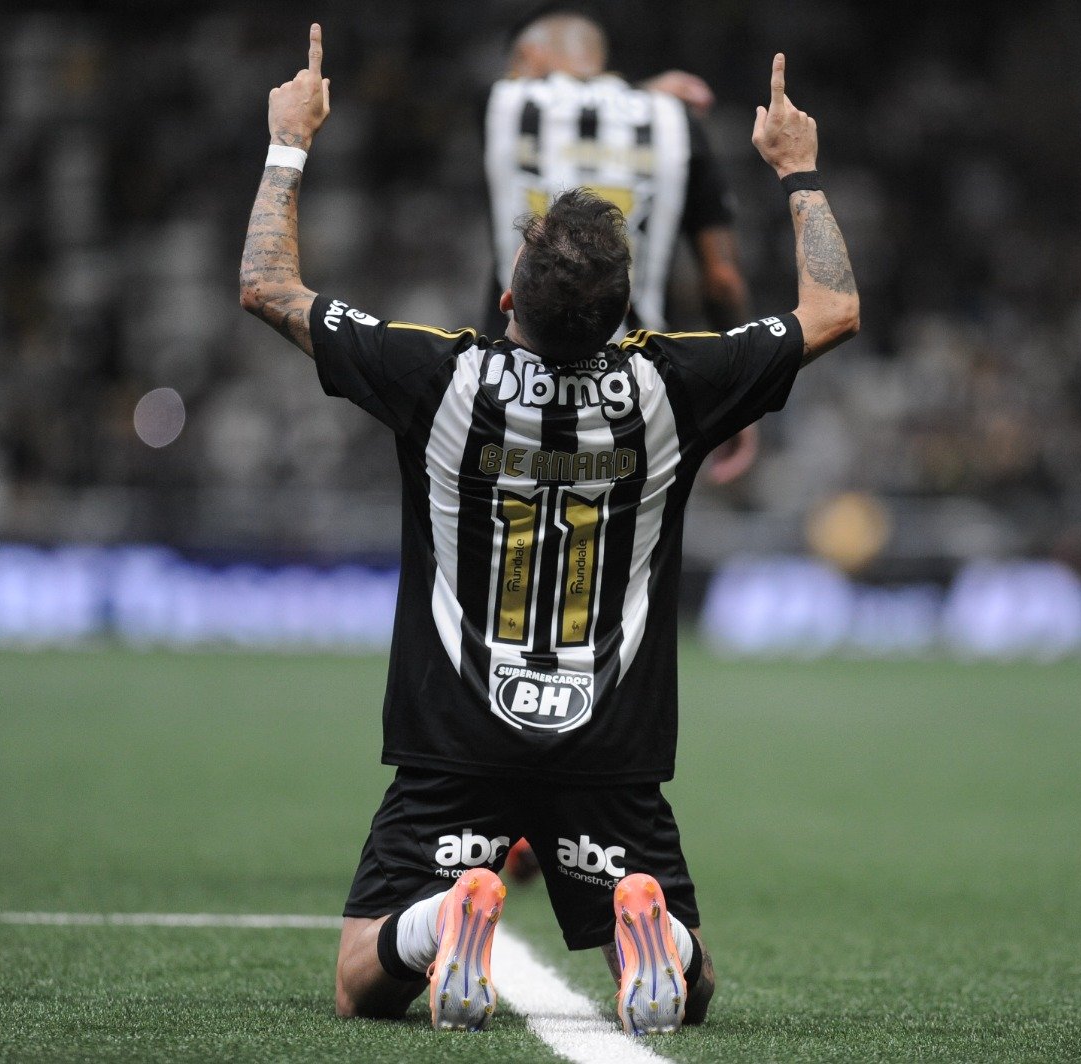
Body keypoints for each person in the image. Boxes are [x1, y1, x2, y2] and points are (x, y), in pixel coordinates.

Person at [239, 24, 858, 1035]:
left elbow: (266, 285)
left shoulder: (438, 376)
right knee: (695, 987)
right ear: (624, 313)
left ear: (505, 295)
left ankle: (445, 917)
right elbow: (832, 309)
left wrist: (288, 142)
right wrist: (799, 170)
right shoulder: (673, 384)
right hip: (607, 748)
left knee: (361, 977)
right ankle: (650, 934)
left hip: (456, 738)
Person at [482, 7, 759, 487]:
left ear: (529, 56)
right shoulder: (676, 122)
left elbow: (570, 108)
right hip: (635, 391)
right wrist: (742, 395)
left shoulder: (502, 103)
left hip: (508, 388)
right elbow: (722, 279)